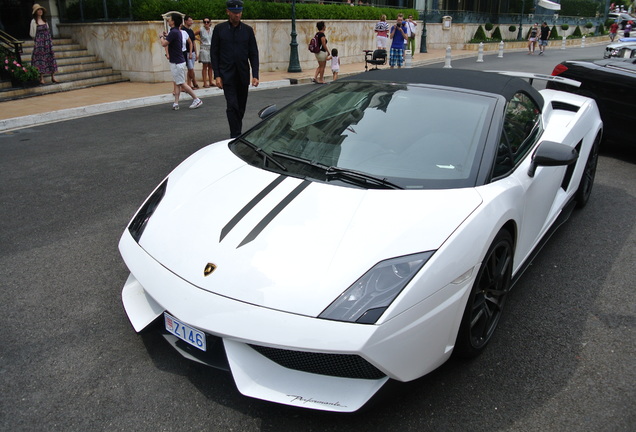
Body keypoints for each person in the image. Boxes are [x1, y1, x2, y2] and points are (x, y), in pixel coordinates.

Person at [211, 0, 259, 138]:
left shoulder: (248, 31)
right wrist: (217, 75)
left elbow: (253, 53)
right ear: (228, 12)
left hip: (243, 74)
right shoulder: (219, 29)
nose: (237, 15)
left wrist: (255, 74)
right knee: (232, 106)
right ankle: (235, 135)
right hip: (227, 75)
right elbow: (214, 53)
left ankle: (236, 130)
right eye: (234, 12)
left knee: (241, 107)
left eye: (239, 12)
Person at [160, 13, 203, 110]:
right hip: (176, 61)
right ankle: (176, 103)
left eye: (170, 19)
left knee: (181, 83)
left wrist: (161, 37)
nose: (168, 21)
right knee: (177, 82)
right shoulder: (175, 32)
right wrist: (167, 36)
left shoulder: (174, 32)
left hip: (177, 62)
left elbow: (164, 43)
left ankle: (196, 99)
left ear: (174, 21)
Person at [29, 4, 58, 84]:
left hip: (47, 42)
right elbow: (32, 33)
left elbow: (48, 30)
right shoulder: (34, 21)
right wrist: (37, 41)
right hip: (39, 43)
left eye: (41, 10)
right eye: (38, 10)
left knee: (50, 57)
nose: (40, 11)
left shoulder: (45, 20)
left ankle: (53, 76)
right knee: (40, 59)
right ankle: (41, 78)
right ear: (35, 12)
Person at [182, 15, 199, 89]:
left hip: (193, 52)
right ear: (185, 21)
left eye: (191, 21)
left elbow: (193, 41)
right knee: (190, 68)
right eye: (189, 20)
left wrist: (196, 52)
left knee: (190, 69)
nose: (191, 22)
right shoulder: (183, 30)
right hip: (187, 52)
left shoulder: (191, 31)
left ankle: (189, 84)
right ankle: (194, 81)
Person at [196, 18, 214, 88]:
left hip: (211, 48)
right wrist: (199, 39)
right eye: (205, 22)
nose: (206, 23)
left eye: (207, 22)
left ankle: (210, 81)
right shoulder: (201, 30)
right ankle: (205, 82)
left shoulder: (212, 30)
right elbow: (192, 34)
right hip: (204, 48)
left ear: (210, 22)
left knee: (211, 66)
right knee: (205, 65)